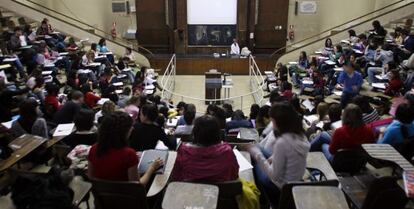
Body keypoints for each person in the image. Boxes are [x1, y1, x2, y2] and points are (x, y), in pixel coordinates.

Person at [247, 102, 310, 207]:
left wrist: (257, 156)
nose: (272, 123)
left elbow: (274, 176)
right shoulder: (300, 133)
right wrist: (270, 158)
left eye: (272, 121)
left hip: (282, 185)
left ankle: (264, 202)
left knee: (253, 161)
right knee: (257, 147)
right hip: (295, 178)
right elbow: (289, 154)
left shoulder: (282, 142)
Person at [88, 111, 163, 184]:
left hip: (102, 194)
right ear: (123, 131)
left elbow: (91, 178)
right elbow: (138, 186)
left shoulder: (94, 148)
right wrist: (152, 168)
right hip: (125, 195)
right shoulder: (129, 154)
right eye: (130, 127)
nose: (132, 129)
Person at [171, 115, 239, 182]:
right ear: (217, 133)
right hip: (222, 192)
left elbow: (176, 177)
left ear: (195, 132)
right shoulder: (227, 151)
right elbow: (234, 175)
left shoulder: (183, 152)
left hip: (191, 191)